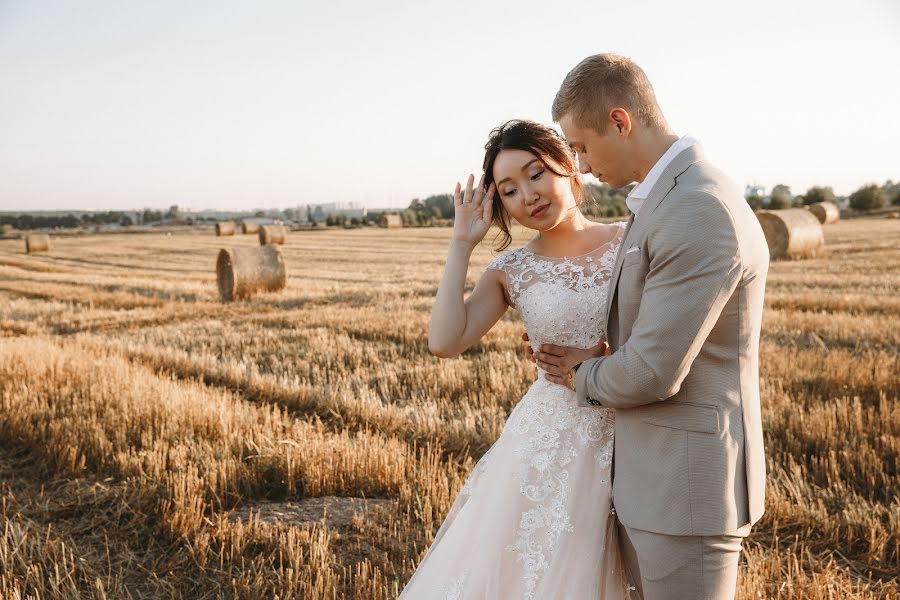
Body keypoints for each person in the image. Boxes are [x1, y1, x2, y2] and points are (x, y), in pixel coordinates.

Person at [530, 53, 770, 599]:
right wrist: (604, 350)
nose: (581, 165)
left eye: (583, 146)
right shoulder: (668, 198)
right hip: (658, 487)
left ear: (621, 121)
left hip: (686, 496)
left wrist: (581, 372)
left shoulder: (696, 208)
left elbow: (653, 372)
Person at [400, 119, 636, 599]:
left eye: (535, 174)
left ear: (569, 163)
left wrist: (607, 358)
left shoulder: (630, 239)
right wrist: (461, 243)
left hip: (637, 426)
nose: (527, 195)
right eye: (508, 190)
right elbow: (445, 341)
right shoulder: (513, 269)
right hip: (550, 439)